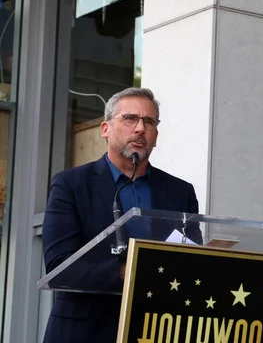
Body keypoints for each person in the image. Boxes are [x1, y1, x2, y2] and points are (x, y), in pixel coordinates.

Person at [42, 87, 201, 343]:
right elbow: (59, 267)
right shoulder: (71, 184)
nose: (140, 128)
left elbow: (191, 258)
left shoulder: (180, 191)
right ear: (105, 129)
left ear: (156, 135)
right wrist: (125, 271)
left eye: (149, 122)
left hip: (155, 329)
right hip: (85, 331)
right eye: (130, 119)